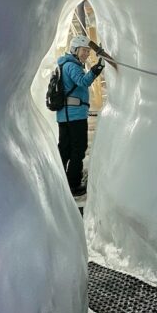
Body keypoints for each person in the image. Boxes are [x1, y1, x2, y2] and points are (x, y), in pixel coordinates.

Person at [57, 35, 104, 196]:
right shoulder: (72, 66)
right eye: (84, 50)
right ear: (75, 50)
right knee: (78, 149)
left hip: (67, 115)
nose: (86, 54)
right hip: (74, 116)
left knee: (66, 149)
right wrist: (97, 69)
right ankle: (73, 185)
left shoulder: (66, 64)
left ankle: (61, 182)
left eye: (88, 51)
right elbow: (83, 81)